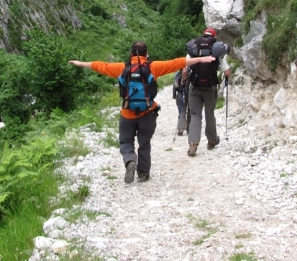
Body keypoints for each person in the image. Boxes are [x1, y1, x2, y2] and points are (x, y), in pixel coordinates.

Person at [69, 41, 216, 183]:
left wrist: (81, 63)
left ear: (131, 53)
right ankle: (143, 174)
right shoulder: (154, 67)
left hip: (127, 114)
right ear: (147, 54)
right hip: (147, 113)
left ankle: (130, 160)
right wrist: (201, 58)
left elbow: (101, 66)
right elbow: (177, 63)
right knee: (144, 143)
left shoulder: (122, 68)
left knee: (126, 141)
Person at [185, 27, 231, 157]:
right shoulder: (217, 48)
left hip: (194, 86)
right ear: (214, 36)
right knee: (209, 113)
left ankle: (193, 144)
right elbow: (226, 71)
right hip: (210, 87)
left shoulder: (194, 46)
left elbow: (185, 68)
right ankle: (211, 140)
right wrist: (227, 76)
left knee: (195, 114)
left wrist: (184, 80)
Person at [172, 67, 189, 136]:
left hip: (180, 94)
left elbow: (174, 86)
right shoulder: (190, 73)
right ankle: (190, 129)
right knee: (191, 112)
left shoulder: (177, 74)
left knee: (182, 112)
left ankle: (181, 128)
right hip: (190, 94)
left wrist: (174, 95)